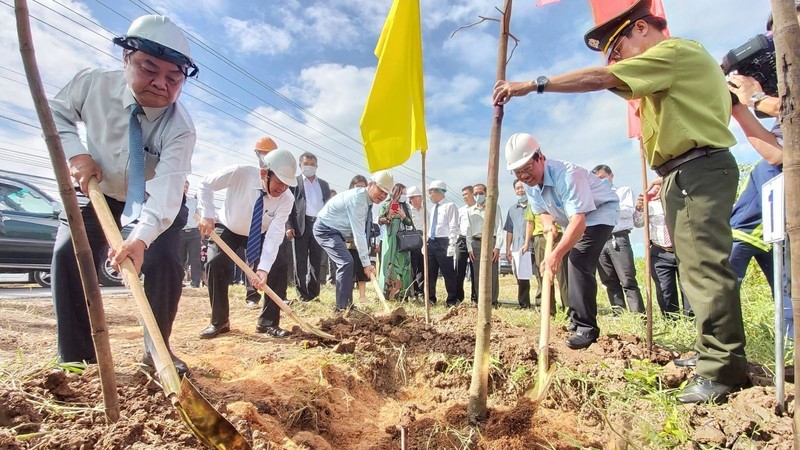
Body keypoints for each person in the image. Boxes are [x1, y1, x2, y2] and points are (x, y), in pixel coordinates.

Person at [493, 0, 745, 403]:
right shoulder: (670, 66)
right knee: (695, 269)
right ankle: (710, 353)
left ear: (641, 29)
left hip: (698, 169)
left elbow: (601, 78)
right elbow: (547, 218)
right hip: (683, 172)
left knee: (703, 268)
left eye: (618, 49)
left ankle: (723, 369)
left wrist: (534, 84)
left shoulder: (673, 52)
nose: (619, 61)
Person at [49, 14, 199, 375]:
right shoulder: (92, 85)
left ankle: (157, 354)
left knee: (165, 262)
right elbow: (55, 112)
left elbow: (166, 192)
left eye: (173, 78)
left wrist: (142, 239)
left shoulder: (180, 128)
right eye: (149, 69)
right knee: (68, 254)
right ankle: (77, 358)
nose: (161, 84)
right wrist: (77, 153)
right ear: (126, 58)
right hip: (97, 190)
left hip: (152, 202)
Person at [505, 133, 618, 350]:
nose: (524, 175)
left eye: (527, 168)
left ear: (541, 158)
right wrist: (548, 225)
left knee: (577, 259)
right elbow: (541, 211)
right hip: (573, 221)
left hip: (599, 213)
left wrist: (555, 254)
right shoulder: (529, 184)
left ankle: (585, 328)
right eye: (518, 172)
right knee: (570, 262)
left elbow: (579, 221)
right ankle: (576, 321)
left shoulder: (567, 175)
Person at [196, 149, 296, 339]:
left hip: (259, 233)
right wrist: (207, 214)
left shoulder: (287, 198)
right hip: (228, 226)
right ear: (264, 174)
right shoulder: (241, 172)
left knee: (278, 265)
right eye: (279, 182)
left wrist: (264, 269)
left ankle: (268, 323)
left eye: (287, 184)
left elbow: (275, 236)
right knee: (215, 263)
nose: (282, 188)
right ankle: (220, 321)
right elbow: (205, 184)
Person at [314, 171, 393, 313]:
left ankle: (347, 304)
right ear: (370, 185)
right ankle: (342, 308)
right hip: (325, 229)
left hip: (337, 232)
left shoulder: (366, 200)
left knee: (348, 262)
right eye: (380, 190)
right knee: (346, 262)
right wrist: (366, 263)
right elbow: (359, 234)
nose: (382, 195)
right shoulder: (358, 200)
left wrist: (365, 261)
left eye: (386, 194)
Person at [633, 182, 692, 317]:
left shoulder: (681, 201)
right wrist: (640, 207)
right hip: (660, 252)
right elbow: (637, 223)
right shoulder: (650, 205)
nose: (659, 190)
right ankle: (671, 320)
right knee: (665, 289)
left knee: (688, 288)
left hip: (683, 251)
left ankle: (692, 321)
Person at [591, 165, 644, 314]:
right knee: (609, 280)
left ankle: (638, 314)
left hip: (618, 238)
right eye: (596, 179)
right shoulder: (594, 197)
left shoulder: (622, 192)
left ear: (611, 176)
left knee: (627, 279)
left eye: (602, 178)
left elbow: (627, 211)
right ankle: (618, 313)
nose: (599, 182)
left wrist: (606, 206)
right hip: (600, 240)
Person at [287, 152, 332, 302]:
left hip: (319, 224)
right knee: (300, 260)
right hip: (301, 224)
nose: (309, 167)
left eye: (312, 165)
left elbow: (328, 206)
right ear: (300, 165)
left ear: (317, 166)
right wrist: (289, 225)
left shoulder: (324, 184)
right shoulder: (295, 182)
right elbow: (288, 204)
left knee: (316, 260)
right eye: (306, 164)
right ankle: (302, 293)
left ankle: (314, 293)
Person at [523, 208, 569, 312]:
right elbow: (530, 223)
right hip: (540, 237)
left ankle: (568, 309)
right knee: (543, 274)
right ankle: (549, 310)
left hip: (560, 235)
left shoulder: (557, 195)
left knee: (563, 274)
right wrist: (526, 242)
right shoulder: (533, 200)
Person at [466, 183, 503, 307]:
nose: (478, 195)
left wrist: (497, 246)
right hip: (476, 243)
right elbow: (468, 230)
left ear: (486, 193)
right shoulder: (470, 211)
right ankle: (480, 300)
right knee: (477, 273)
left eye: (480, 193)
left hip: (490, 241)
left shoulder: (494, 207)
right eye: (475, 193)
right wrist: (469, 247)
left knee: (492, 272)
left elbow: (499, 228)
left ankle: (492, 301)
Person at [426, 180, 460, 306]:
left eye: (431, 192)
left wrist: (452, 243)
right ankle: (430, 298)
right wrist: (426, 242)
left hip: (444, 242)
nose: (430, 196)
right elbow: (430, 226)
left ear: (437, 191)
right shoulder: (433, 208)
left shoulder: (450, 206)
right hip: (432, 241)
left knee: (448, 273)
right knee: (430, 272)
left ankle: (451, 299)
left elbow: (453, 226)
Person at [378, 184, 413, 300]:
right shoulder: (385, 205)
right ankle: (387, 293)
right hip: (390, 238)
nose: (404, 195)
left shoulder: (406, 207)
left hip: (403, 240)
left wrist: (403, 216)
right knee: (389, 263)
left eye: (405, 193)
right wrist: (389, 217)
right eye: (403, 193)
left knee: (403, 266)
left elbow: (410, 223)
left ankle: (403, 294)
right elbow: (380, 220)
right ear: (396, 192)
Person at [504, 179, 533, 308]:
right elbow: (509, 230)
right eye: (517, 188)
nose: (520, 190)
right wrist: (508, 249)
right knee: (521, 277)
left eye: (522, 187)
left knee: (539, 275)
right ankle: (524, 303)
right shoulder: (512, 210)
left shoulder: (534, 205)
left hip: (533, 246)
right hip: (517, 247)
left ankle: (543, 303)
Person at [456, 186, 477, 303]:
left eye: (466, 194)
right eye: (463, 194)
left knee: (474, 270)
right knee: (459, 269)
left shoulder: (479, 208)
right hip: (462, 240)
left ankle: (475, 297)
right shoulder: (461, 210)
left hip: (474, 240)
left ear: (473, 194)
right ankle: (459, 297)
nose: (464, 197)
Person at [179, 181, 202, 288]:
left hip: (194, 233)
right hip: (179, 232)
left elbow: (199, 217)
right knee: (180, 258)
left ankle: (196, 282)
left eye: (187, 187)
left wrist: (202, 233)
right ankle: (178, 281)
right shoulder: (172, 201)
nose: (185, 188)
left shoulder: (193, 202)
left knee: (195, 258)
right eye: (183, 186)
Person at [406, 186, 425, 298]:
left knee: (422, 268)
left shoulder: (424, 210)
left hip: (423, 240)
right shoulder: (408, 210)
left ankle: (421, 291)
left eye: (420, 196)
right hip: (412, 240)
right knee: (412, 267)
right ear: (411, 198)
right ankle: (412, 291)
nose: (420, 199)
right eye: (417, 197)